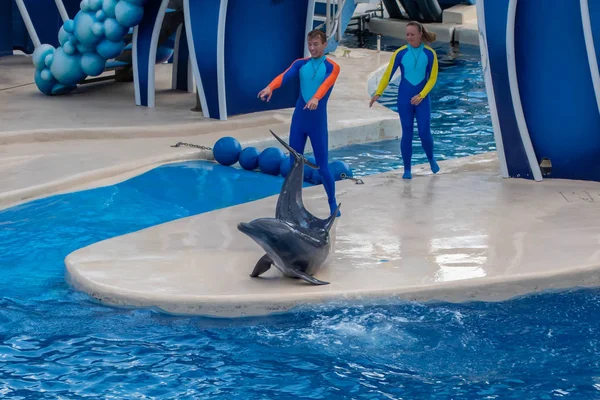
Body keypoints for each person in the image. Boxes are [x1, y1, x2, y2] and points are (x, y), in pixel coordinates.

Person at [258, 29, 341, 216]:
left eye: (316, 44)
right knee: (293, 163)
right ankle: (291, 203)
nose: (312, 48)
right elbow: (285, 76)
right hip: (299, 120)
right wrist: (270, 87)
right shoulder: (300, 64)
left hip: (317, 122)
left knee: (323, 166)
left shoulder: (332, 67)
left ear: (325, 45)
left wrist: (317, 98)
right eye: (310, 44)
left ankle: (332, 202)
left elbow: (326, 84)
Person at [369, 21, 439, 180]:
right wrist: (378, 92)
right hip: (404, 99)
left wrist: (421, 95)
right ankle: (407, 169)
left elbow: (433, 78)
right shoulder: (400, 53)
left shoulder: (429, 54)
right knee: (407, 133)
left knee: (424, 132)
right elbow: (388, 74)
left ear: (420, 34)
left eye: (412, 34)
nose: (409, 37)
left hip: (422, 100)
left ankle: (431, 159)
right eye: (407, 34)